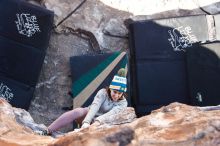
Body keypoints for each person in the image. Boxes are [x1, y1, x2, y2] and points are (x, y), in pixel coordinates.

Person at [38, 68, 128, 135]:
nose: (116, 95)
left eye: (120, 93)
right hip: (89, 116)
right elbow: (94, 107)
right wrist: (86, 122)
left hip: (104, 123)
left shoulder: (123, 103)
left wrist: (96, 123)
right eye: (115, 92)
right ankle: (47, 130)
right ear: (110, 89)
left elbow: (110, 114)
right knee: (78, 111)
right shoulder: (103, 93)